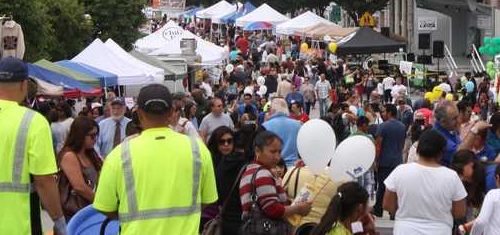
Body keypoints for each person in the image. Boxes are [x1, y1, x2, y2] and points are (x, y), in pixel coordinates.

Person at [93, 83, 218, 234]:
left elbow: (104, 207)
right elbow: (208, 199)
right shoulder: (198, 149)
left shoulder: (118, 155)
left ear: (138, 113)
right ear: (172, 112)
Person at [0, 57, 67, 235]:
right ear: (24, 85)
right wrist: (58, 220)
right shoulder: (33, 122)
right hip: (16, 225)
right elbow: (44, 181)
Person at [383, 129, 467, 234]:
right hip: (439, 230)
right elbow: (459, 212)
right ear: (441, 153)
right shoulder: (451, 177)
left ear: (418, 149)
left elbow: (387, 205)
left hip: (405, 229)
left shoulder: (400, 171)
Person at [239, 131, 312, 231]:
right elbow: (273, 209)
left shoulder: (249, 170)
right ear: (257, 151)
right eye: (273, 152)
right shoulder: (262, 174)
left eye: (279, 152)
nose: (277, 157)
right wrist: (298, 208)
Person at [57, 116, 102, 221]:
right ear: (80, 135)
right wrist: (100, 203)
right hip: (76, 213)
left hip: (90, 209)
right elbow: (79, 187)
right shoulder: (69, 155)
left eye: (96, 135)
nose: (95, 139)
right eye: (92, 135)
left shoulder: (90, 153)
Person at [372, 104, 406, 218]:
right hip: (397, 161)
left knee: (382, 186)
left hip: (385, 161)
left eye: (384, 112)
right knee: (396, 187)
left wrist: (376, 160)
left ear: (389, 113)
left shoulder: (383, 126)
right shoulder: (402, 126)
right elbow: (402, 144)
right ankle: (393, 211)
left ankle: (378, 209)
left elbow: (378, 144)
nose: (383, 114)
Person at [262, 98, 302, 166]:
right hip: (293, 166)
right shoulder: (298, 125)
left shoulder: (265, 126)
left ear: (272, 109)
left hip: (273, 166)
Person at [433, 102, 463, 166]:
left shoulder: (449, 129)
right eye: (454, 118)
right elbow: (460, 155)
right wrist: (474, 131)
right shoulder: (438, 136)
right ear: (443, 121)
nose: (458, 120)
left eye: (458, 116)